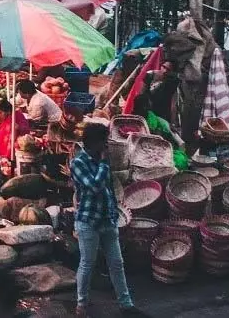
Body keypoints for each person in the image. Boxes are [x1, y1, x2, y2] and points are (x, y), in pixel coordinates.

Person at [72, 123, 137, 317]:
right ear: (94, 142)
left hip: (108, 220)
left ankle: (126, 303)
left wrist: (114, 213)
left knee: (117, 263)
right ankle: (81, 304)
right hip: (88, 221)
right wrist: (102, 164)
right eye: (104, 141)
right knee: (87, 263)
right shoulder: (79, 163)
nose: (107, 145)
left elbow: (108, 188)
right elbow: (94, 187)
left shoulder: (103, 160)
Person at [0, 98, 30, 162]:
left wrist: (19, 127)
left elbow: (26, 130)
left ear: (8, 111)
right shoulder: (6, 118)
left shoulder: (18, 116)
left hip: (17, 146)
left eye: (0, 113)